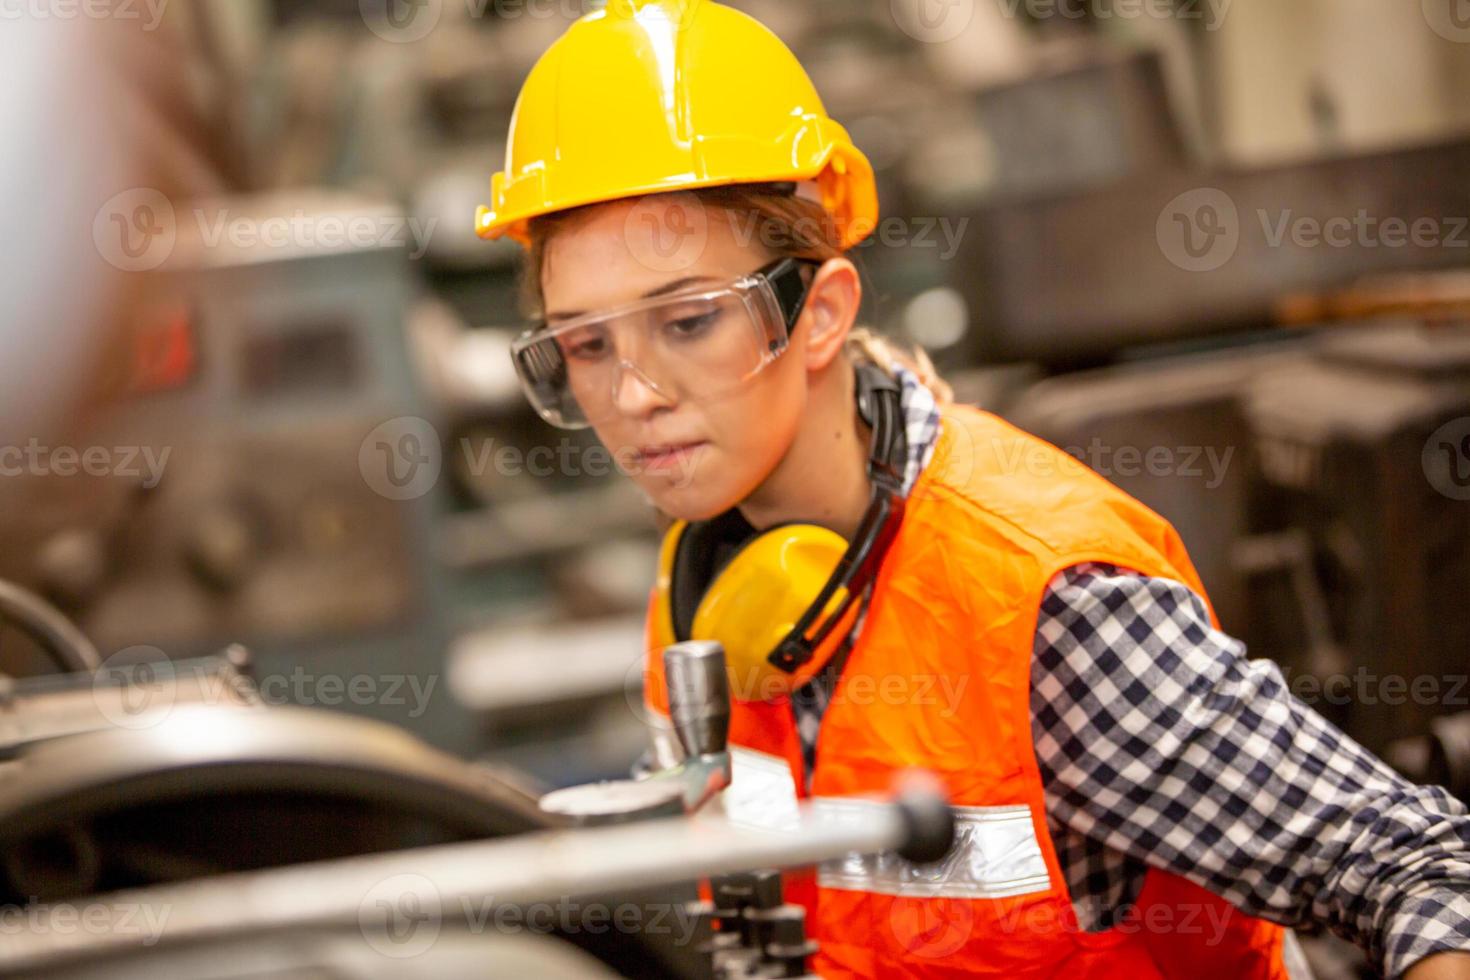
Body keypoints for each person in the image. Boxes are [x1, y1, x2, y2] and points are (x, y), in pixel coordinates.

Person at [478, 2, 1470, 976]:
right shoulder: (694, 593)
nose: (635, 394)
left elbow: (1422, 867)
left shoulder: (1040, 604)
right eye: (587, 344)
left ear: (819, 313)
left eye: (688, 320)